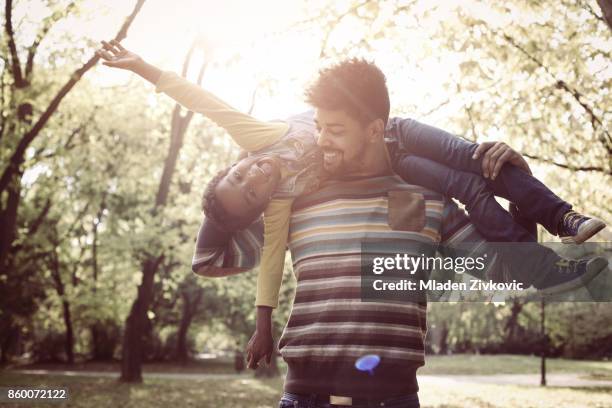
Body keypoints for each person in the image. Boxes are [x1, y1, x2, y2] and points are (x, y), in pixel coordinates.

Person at [96, 42, 607, 371]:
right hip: (304, 393)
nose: (321, 141)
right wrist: (230, 194)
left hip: (393, 394)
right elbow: (208, 258)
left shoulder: (430, 198)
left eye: (334, 130)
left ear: (375, 129)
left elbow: (512, 272)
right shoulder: (292, 202)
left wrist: (516, 183)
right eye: (318, 127)